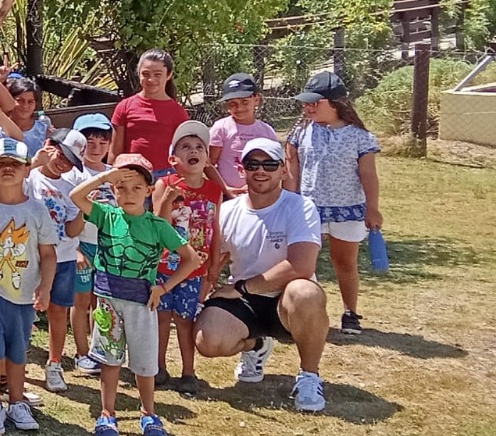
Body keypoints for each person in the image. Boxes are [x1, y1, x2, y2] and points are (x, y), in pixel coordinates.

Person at [70, 154, 199, 436]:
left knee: (144, 363)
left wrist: (163, 288)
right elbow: (75, 196)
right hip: (107, 302)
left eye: (136, 188)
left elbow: (191, 259)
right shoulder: (105, 215)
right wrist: (106, 177)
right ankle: (107, 413)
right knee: (110, 360)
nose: (128, 194)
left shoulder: (157, 226)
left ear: (150, 191)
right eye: (121, 188)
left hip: (141, 303)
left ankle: (148, 412)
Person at [195, 138, 330, 411]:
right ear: (241, 168)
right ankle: (255, 345)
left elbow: (301, 265)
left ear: (283, 170)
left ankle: (309, 375)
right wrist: (201, 293)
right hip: (245, 301)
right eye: (252, 164)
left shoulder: (300, 207)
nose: (260, 170)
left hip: (286, 299)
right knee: (207, 342)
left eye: (269, 164)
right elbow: (211, 259)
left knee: (305, 291)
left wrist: (242, 288)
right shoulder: (227, 211)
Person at [0, 137, 58, 436]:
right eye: (0, 165)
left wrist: (45, 287)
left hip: (24, 295)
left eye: (14, 164)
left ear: (27, 169)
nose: (7, 170)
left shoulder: (37, 210)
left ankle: (17, 402)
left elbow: (48, 254)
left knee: (17, 352)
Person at [285, 71, 381, 336]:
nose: (308, 107)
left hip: (348, 210)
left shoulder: (360, 137)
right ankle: (307, 312)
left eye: (315, 102)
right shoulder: (302, 131)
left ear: (336, 103)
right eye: (306, 102)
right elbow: (293, 166)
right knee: (304, 264)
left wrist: (373, 208)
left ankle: (351, 312)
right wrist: (289, 201)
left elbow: (368, 175)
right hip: (308, 209)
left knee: (345, 262)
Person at [154, 122, 224, 393]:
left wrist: (213, 267)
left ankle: (188, 371)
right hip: (164, 266)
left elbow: (215, 229)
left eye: (199, 147)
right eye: (185, 147)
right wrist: (166, 200)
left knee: (185, 319)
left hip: (195, 270)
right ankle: (158, 367)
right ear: (173, 158)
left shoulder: (214, 191)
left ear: (207, 158)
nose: (193, 152)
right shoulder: (164, 184)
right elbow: (157, 225)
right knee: (161, 318)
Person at [25, 129, 88, 394]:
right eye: (61, 155)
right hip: (27, 254)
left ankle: (54, 363)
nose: (63, 163)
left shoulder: (72, 188)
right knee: (22, 311)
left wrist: (85, 209)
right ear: (50, 146)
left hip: (62, 257)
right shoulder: (29, 177)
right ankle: (15, 363)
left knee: (58, 311)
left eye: (71, 161)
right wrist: (33, 164)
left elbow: (72, 230)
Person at [68, 112, 115, 377]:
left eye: (102, 140)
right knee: (81, 300)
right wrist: (73, 248)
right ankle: (82, 352)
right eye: (89, 140)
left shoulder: (114, 174)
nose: (96, 146)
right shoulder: (74, 173)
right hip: (82, 244)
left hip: (109, 247)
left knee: (104, 300)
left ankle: (102, 348)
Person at [110, 49, 190, 174]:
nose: (151, 80)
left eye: (157, 74)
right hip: (132, 175)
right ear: (139, 74)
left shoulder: (178, 112)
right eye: (145, 74)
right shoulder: (124, 106)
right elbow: (115, 151)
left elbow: (185, 151)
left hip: (166, 176)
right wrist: (113, 177)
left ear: (168, 75)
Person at [209, 73, 280, 194]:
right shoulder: (221, 128)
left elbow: (276, 165)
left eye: (245, 102)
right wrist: (225, 189)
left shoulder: (266, 131)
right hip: (229, 195)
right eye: (233, 104)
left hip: (260, 194)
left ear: (256, 100)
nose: (239, 108)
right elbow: (209, 163)